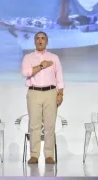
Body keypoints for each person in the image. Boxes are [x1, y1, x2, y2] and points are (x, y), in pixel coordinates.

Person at [21, 31, 64, 164]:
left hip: (50, 92)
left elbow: (59, 77)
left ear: (47, 41)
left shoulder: (54, 57)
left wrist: (60, 93)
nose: (40, 41)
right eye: (38, 38)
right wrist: (41, 66)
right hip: (34, 92)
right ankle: (34, 154)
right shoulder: (28, 57)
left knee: (50, 125)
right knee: (34, 125)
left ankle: (49, 155)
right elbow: (25, 72)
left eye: (43, 38)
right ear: (34, 41)